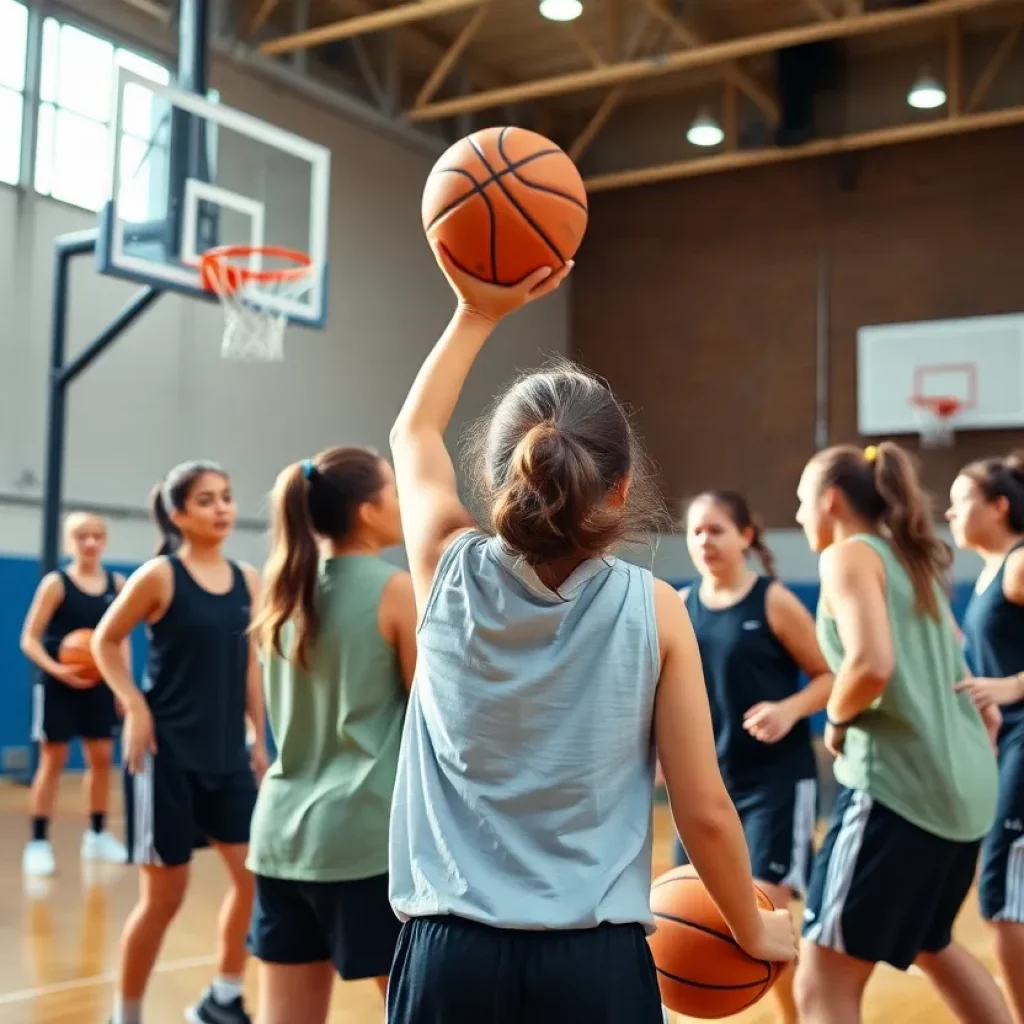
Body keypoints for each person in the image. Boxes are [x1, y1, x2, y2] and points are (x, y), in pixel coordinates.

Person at [384, 246, 797, 1024]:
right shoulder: (658, 609)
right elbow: (703, 808)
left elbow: (414, 433)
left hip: (449, 959)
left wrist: (477, 312)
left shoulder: (446, 567)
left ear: (500, 474)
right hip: (594, 967)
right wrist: (753, 927)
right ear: (621, 489)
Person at [793, 442, 1010, 1024]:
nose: (796, 516)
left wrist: (836, 718)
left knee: (822, 976)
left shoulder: (847, 556)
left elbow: (872, 664)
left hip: (897, 789)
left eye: (801, 501)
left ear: (831, 501)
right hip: (964, 792)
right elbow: (979, 701)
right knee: (931, 943)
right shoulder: (912, 561)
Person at [92, 461, 268, 1024]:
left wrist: (259, 739)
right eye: (206, 500)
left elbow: (250, 667)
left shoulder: (249, 579)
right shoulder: (160, 576)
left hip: (228, 760)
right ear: (178, 515)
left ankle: (222, 996)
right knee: (164, 900)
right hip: (164, 758)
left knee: (254, 880)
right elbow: (105, 640)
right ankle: (128, 1013)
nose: (222, 509)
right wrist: (134, 705)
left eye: (227, 497)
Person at [246, 446, 416, 1024]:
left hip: (279, 837)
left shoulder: (282, 591)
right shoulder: (396, 591)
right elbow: (435, 721)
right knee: (423, 1010)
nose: (403, 503)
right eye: (394, 492)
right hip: (362, 842)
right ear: (369, 511)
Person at [679, 491, 833, 1024]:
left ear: (746, 536)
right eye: (696, 531)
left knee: (767, 909)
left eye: (716, 529)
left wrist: (790, 709)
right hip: (704, 785)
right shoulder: (680, 606)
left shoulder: (773, 602)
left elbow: (829, 677)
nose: (704, 540)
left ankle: (793, 1018)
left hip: (776, 782)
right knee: (685, 913)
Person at [947, 452, 1024, 1024]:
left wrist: (1010, 685)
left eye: (962, 498)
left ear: (999, 507)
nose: (949, 510)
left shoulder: (1021, 564)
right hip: (1007, 746)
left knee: (1002, 902)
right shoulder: (991, 573)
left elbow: (1003, 679)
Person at [20, 511, 129, 876]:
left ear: (105, 540)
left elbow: (121, 640)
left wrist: (122, 685)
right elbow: (29, 638)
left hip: (99, 683)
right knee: (53, 760)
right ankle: (38, 841)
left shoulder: (117, 583)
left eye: (97, 536)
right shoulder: (57, 584)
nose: (91, 542)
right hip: (59, 684)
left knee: (101, 758)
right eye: (83, 536)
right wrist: (57, 669)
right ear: (71, 542)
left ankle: (97, 834)